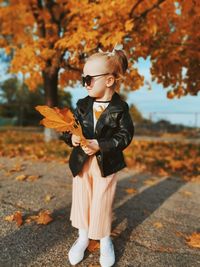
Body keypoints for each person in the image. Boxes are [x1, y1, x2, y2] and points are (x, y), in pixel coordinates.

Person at [61, 45, 134, 267]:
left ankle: (104, 239)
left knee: (102, 200)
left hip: (105, 163)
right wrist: (71, 137)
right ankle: (83, 237)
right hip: (81, 162)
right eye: (84, 78)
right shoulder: (82, 105)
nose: (85, 83)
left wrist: (101, 145)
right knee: (82, 197)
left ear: (109, 81)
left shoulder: (120, 108)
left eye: (89, 79)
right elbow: (69, 127)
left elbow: (125, 135)